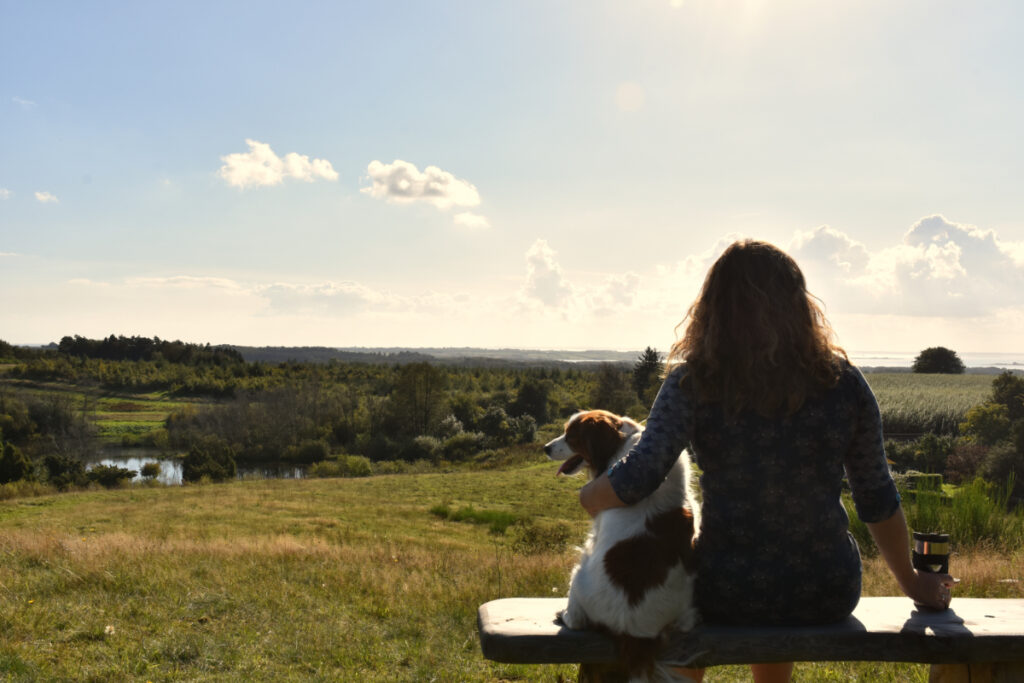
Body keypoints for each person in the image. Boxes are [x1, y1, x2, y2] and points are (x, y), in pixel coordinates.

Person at [579, 240, 955, 683]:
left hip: (725, 587)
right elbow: (876, 495)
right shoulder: (843, 383)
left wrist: (590, 495)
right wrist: (913, 582)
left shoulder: (693, 382)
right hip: (825, 588)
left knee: (689, 608)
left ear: (713, 309)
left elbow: (638, 476)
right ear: (799, 306)